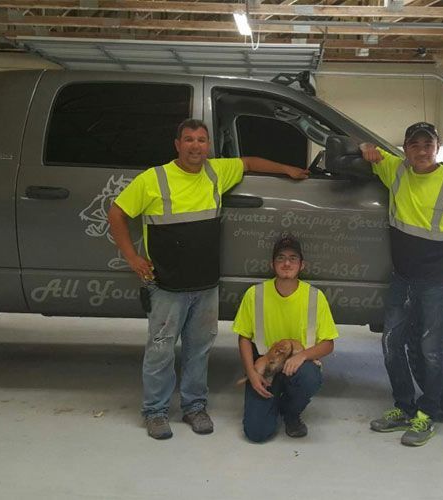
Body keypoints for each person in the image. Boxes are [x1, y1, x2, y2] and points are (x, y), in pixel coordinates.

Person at [108, 118, 309, 440]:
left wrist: (288, 169)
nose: (196, 146)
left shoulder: (216, 171)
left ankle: (194, 407)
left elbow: (249, 162)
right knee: (160, 350)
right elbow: (116, 213)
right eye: (189, 140)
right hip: (166, 285)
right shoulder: (153, 179)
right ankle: (156, 412)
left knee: (198, 350)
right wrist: (132, 257)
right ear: (177, 145)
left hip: (204, 285)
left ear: (208, 147)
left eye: (202, 140)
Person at [359, 122, 443, 446]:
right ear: (405, 148)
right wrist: (365, 150)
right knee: (391, 345)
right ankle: (403, 407)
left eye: (428, 145)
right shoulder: (397, 171)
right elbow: (366, 148)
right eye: (415, 145)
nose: (422, 151)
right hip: (402, 278)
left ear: (437, 147)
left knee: (431, 352)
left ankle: (428, 414)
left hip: (436, 282)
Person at [232, 236, 337, 442]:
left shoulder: (315, 297)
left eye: (292, 258)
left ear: (302, 265)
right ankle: (272, 403)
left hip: (296, 366)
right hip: (266, 366)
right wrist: (253, 374)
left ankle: (291, 413)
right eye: (280, 258)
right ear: (272, 264)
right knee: (257, 433)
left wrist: (302, 356)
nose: (286, 263)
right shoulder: (255, 294)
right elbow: (244, 338)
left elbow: (328, 344)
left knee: (309, 377)